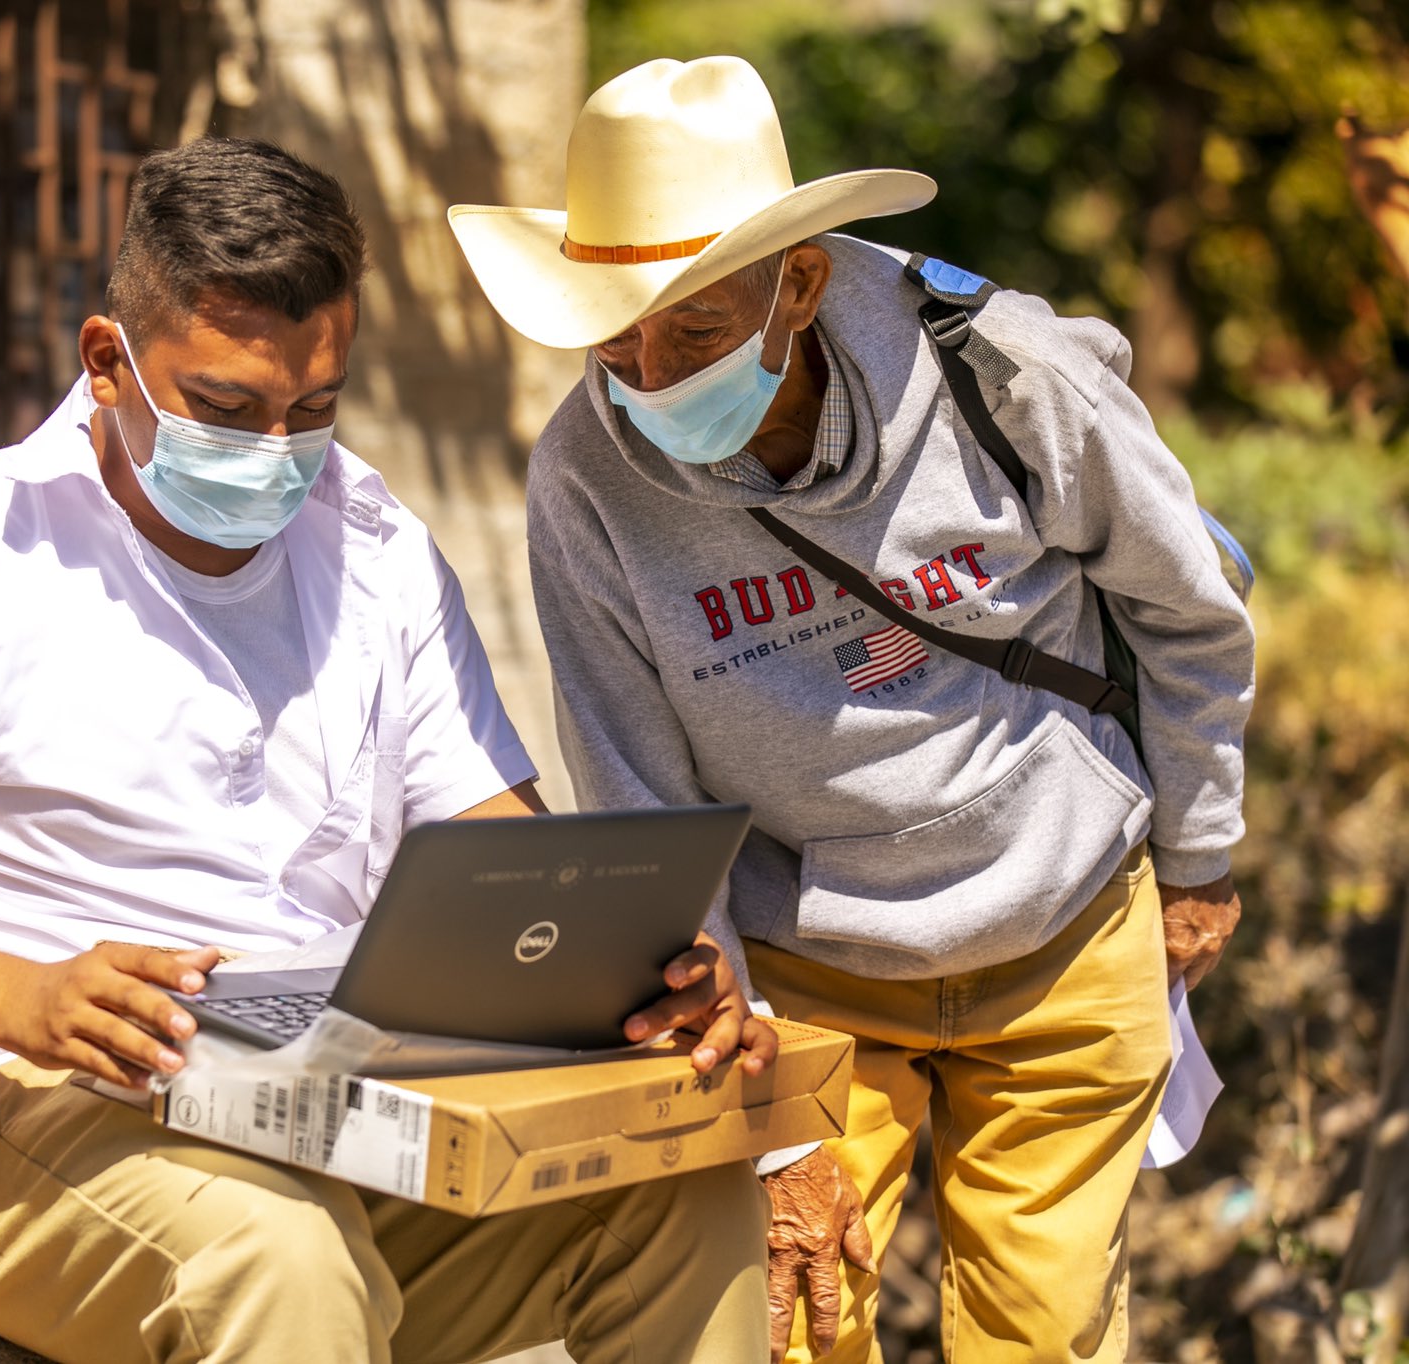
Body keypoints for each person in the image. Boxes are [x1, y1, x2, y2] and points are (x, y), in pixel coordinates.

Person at [0, 136, 775, 1364]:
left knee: (673, 1186)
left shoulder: (375, 552)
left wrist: (623, 960)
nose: (275, 448)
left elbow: (495, 846)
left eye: (312, 408)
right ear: (108, 362)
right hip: (27, 1113)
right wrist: (25, 996)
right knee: (277, 1254)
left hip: (338, 1113)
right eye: (225, 408)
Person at [448, 57, 1254, 1364]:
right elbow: (641, 804)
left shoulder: (1007, 374)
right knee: (790, 1328)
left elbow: (1188, 609)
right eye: (613, 332)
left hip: (1061, 925)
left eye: (693, 329)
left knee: (1046, 1341)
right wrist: (770, 1131)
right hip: (805, 978)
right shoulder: (586, 483)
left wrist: (1203, 857)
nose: (646, 376)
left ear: (801, 284)